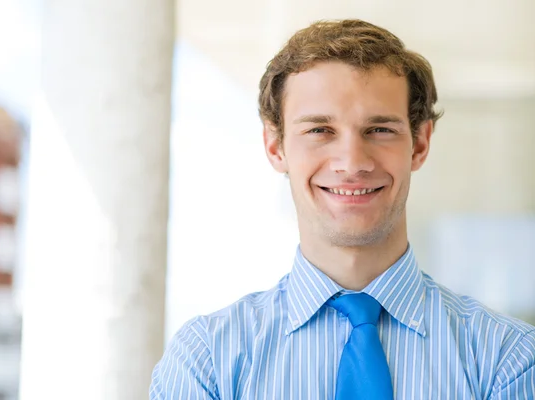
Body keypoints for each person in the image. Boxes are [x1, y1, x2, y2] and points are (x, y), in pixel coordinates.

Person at [150, 19, 535, 399]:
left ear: (419, 144)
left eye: (380, 129)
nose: (352, 163)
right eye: (319, 130)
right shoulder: (207, 361)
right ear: (275, 146)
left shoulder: (506, 358)